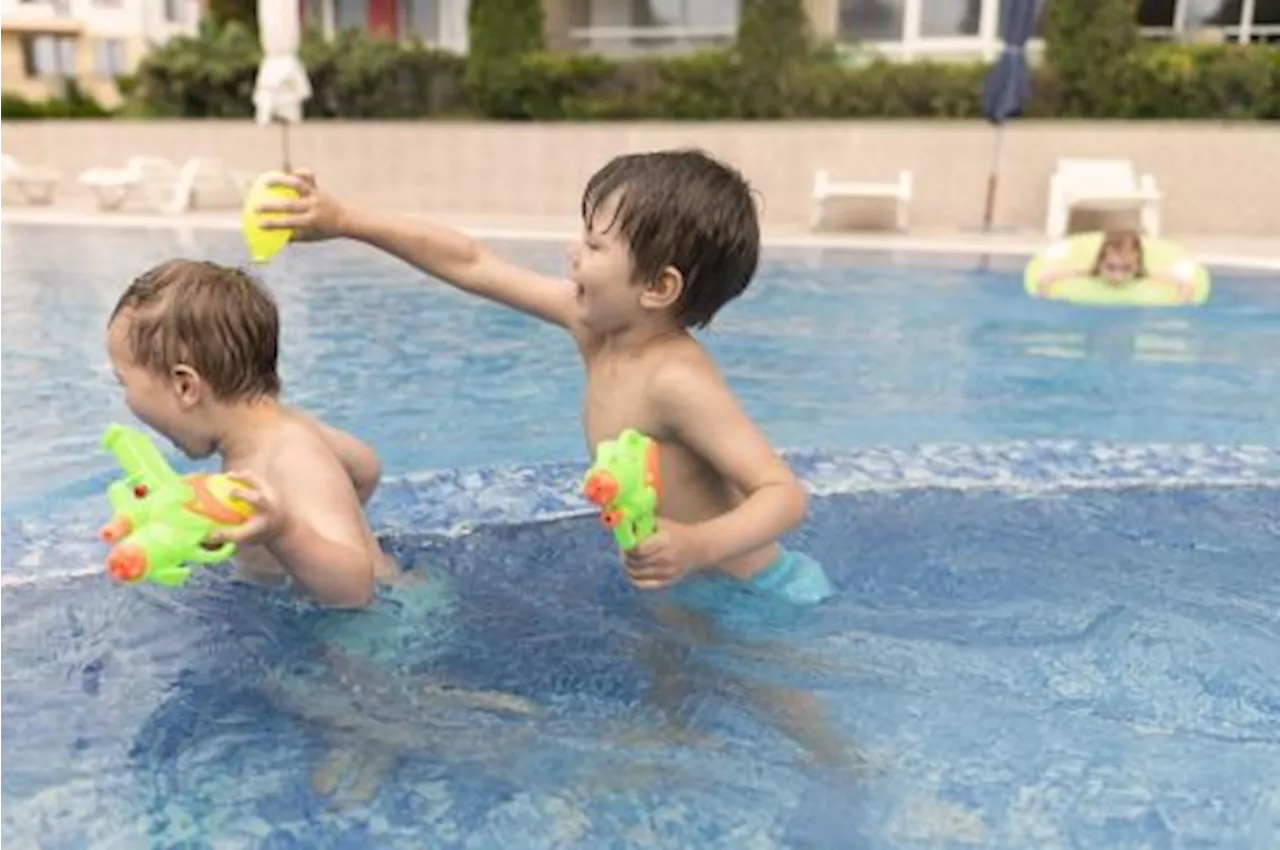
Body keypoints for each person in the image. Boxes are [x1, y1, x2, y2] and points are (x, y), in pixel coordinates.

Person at [255, 149, 834, 607]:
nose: (571, 252)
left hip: (754, 593)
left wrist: (697, 545)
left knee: (794, 719)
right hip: (673, 576)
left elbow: (782, 496)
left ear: (658, 287)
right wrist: (346, 220)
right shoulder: (593, 324)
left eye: (594, 244)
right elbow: (472, 263)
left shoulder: (675, 382)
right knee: (668, 686)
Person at [106, 258, 393, 608]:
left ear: (185, 386)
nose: (126, 399)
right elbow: (365, 466)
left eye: (124, 382)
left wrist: (286, 532)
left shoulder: (287, 457)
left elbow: (354, 589)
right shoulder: (289, 426)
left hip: (378, 639)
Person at [1036, 227, 1195, 300]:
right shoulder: (1091, 273)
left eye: (1127, 268)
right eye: (1111, 268)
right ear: (1100, 263)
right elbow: (1046, 278)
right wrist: (1047, 299)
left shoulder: (1145, 276)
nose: (1118, 277)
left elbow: (1186, 285)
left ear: (1137, 264)